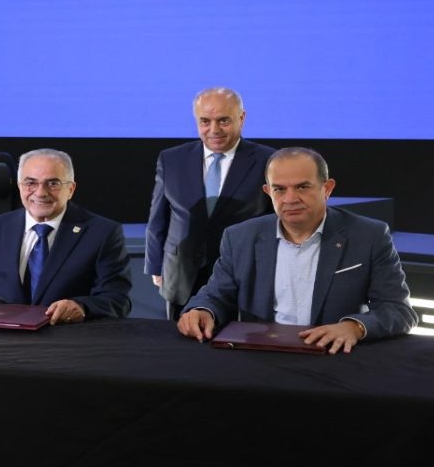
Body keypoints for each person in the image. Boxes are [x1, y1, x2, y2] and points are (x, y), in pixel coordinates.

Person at [178, 147, 417, 353]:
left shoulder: (369, 236)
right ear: (268, 192)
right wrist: (202, 310)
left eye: (302, 187)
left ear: (327, 188)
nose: (290, 198)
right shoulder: (240, 237)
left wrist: (353, 327)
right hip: (261, 356)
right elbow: (216, 295)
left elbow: (398, 310)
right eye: (279, 189)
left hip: (334, 357)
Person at [0, 148, 132, 324]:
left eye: (53, 183)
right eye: (31, 183)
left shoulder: (102, 232)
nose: (40, 192)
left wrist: (82, 307)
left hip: (68, 337)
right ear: (20, 186)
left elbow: (117, 299)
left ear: (71, 189)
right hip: (3, 337)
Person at [145, 87, 275, 320]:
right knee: (179, 339)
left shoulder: (268, 160)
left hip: (241, 274)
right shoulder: (172, 158)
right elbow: (159, 217)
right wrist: (155, 265)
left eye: (223, 120)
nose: (214, 130)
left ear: (242, 118)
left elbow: (274, 221)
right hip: (182, 274)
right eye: (205, 121)